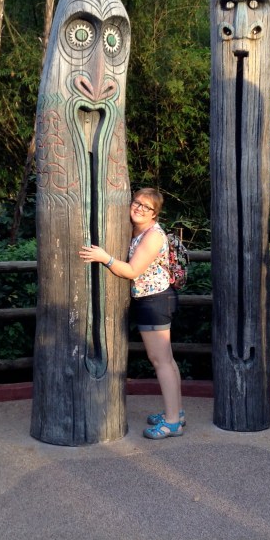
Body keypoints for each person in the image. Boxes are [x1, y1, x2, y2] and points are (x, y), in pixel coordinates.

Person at [79, 188, 184, 439]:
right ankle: (176, 413)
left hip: (155, 301)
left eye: (147, 207)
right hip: (152, 300)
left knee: (161, 361)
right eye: (137, 202)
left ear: (155, 213)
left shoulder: (153, 236)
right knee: (166, 360)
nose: (139, 208)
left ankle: (172, 423)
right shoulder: (137, 231)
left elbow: (132, 270)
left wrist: (104, 258)